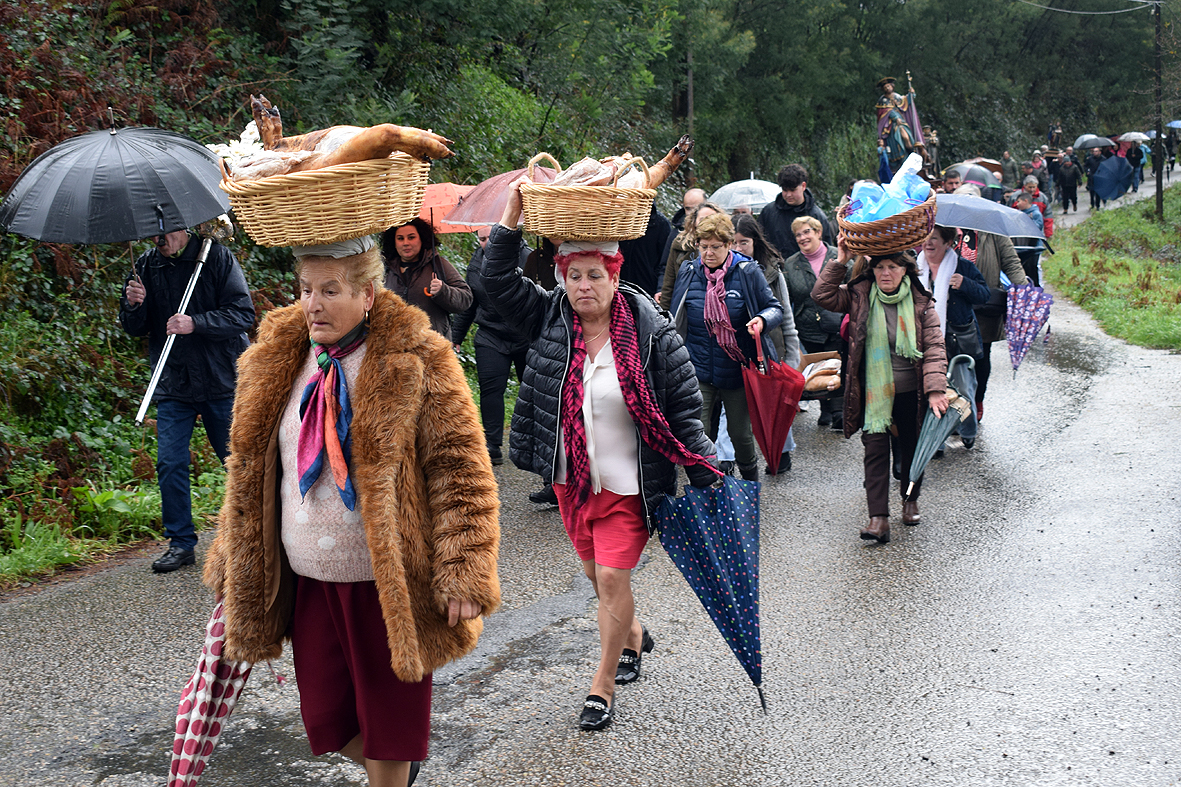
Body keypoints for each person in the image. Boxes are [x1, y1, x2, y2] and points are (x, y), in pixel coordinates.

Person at [203, 236, 500, 786]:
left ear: (368, 294)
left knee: (389, 731)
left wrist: (464, 569)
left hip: (386, 584)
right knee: (327, 725)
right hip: (310, 580)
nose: (312, 303)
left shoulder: (418, 358)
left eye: (330, 291)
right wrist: (230, 555)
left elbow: (461, 469)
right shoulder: (279, 357)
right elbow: (249, 474)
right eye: (306, 289)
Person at [482, 181, 719, 731]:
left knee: (611, 580)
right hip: (572, 482)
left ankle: (602, 686)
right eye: (573, 275)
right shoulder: (549, 318)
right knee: (597, 576)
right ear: (561, 278)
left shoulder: (652, 333)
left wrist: (710, 475)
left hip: (629, 487)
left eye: (595, 275)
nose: (583, 286)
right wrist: (512, 219)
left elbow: (684, 411)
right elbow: (495, 281)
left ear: (615, 276)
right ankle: (633, 634)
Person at [119, 227, 254, 573]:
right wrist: (133, 306)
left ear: (182, 227)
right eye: (152, 233)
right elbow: (136, 328)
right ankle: (181, 543)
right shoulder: (146, 267)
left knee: (236, 460)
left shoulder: (215, 257)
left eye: (164, 232)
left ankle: (255, 532)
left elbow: (242, 314)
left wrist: (197, 323)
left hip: (220, 378)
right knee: (169, 462)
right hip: (174, 381)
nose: (157, 239)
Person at [811, 238, 948, 544]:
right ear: (872, 270)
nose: (886, 273)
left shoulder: (921, 302)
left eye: (893, 267)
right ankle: (878, 519)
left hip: (911, 392)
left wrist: (936, 389)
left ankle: (910, 499)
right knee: (874, 452)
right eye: (880, 267)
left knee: (913, 451)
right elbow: (821, 294)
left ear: (905, 270)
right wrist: (841, 259)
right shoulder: (859, 295)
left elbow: (936, 348)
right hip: (873, 391)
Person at [670, 213, 784, 482]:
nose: (708, 253)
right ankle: (706, 486)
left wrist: (761, 320)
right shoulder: (688, 270)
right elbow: (675, 315)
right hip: (698, 367)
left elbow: (774, 308)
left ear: (729, 244)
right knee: (699, 431)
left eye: (715, 247)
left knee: (740, 435)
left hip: (737, 367)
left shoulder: (747, 272)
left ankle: (750, 482)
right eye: (703, 246)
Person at [451, 225, 533, 466]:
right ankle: (492, 445)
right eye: (482, 239)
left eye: (491, 237)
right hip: (490, 334)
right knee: (491, 389)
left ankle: (535, 441)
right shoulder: (476, 263)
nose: (487, 243)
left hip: (525, 333)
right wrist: (455, 337)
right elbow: (469, 304)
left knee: (532, 390)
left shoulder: (527, 257)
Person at [733, 213, 801, 473]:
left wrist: (793, 360)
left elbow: (786, 319)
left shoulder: (773, 272)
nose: (738, 249)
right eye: (734, 243)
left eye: (744, 242)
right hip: (737, 352)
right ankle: (735, 460)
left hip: (771, 350)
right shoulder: (723, 272)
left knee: (774, 406)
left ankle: (780, 452)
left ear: (755, 243)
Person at [916, 226, 990, 450]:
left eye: (934, 239)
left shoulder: (963, 266)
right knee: (932, 388)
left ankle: (968, 430)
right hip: (926, 338)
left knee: (964, 389)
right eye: (926, 239)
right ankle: (936, 441)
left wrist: (964, 284)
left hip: (958, 339)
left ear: (948, 242)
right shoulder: (915, 267)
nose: (928, 244)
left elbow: (984, 295)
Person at [783, 215, 847, 431]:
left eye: (806, 232)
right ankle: (826, 408)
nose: (803, 237)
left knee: (836, 364)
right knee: (818, 367)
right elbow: (788, 296)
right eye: (798, 234)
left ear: (818, 232)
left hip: (836, 322)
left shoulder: (838, 255)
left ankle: (838, 411)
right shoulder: (791, 264)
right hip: (807, 326)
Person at [381, 218, 472, 341]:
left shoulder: (439, 265)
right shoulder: (385, 269)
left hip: (433, 346)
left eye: (411, 237)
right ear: (394, 242)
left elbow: (466, 299)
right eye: (400, 238)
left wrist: (443, 291)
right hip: (395, 345)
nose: (406, 243)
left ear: (422, 239)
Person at [758, 163, 834, 260]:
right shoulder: (768, 212)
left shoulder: (817, 216)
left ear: (803, 186)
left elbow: (827, 250)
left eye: (792, 190)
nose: (788, 195)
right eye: (785, 190)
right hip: (775, 269)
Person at [657, 200, 723, 306]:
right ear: (694, 222)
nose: (707, 223)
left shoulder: (727, 246)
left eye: (711, 219)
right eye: (702, 219)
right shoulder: (680, 244)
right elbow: (669, 284)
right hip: (686, 306)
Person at [618, 205, 673, 296]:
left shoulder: (660, 224)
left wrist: (660, 288)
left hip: (648, 291)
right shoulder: (618, 220)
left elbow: (665, 264)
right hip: (620, 288)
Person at [875, 77, 925, 175]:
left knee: (907, 138)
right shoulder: (883, 100)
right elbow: (883, 113)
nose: (887, 88)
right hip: (890, 127)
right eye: (885, 87)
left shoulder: (896, 96)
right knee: (897, 143)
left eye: (888, 86)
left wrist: (911, 94)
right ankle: (901, 161)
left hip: (901, 122)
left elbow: (906, 102)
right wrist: (893, 116)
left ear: (892, 86)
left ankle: (912, 152)